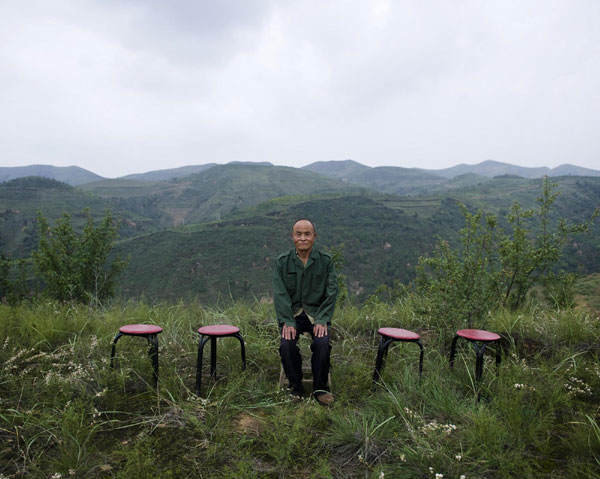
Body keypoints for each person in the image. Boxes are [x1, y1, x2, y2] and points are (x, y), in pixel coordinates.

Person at [273, 219, 338, 405]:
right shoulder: (283, 262)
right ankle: (296, 387)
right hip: (292, 314)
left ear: (314, 237)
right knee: (286, 344)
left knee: (322, 343)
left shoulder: (325, 261)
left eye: (307, 234)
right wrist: (287, 321)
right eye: (298, 234)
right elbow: (280, 293)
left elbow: (332, 291)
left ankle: (320, 388)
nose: (303, 238)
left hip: (316, 314)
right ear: (292, 237)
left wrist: (322, 319)